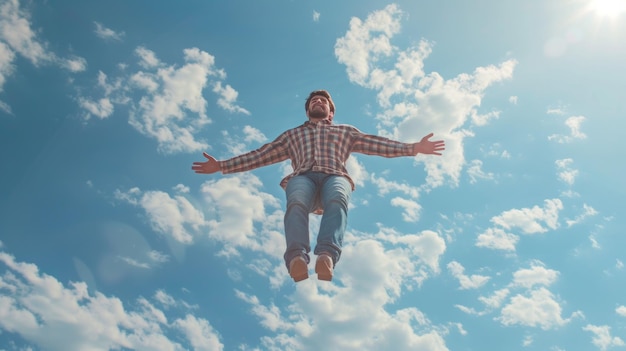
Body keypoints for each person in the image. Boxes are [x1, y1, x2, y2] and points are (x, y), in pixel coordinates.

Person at [192, 90, 445, 283]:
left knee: (338, 198)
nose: (318, 102)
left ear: (331, 112)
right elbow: (260, 155)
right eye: (314, 101)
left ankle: (326, 256)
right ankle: (297, 258)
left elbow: (377, 144)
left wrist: (413, 148)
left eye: (323, 101)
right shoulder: (292, 135)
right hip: (304, 177)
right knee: (297, 202)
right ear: (307, 110)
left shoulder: (345, 131)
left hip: (335, 176)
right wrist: (222, 166)